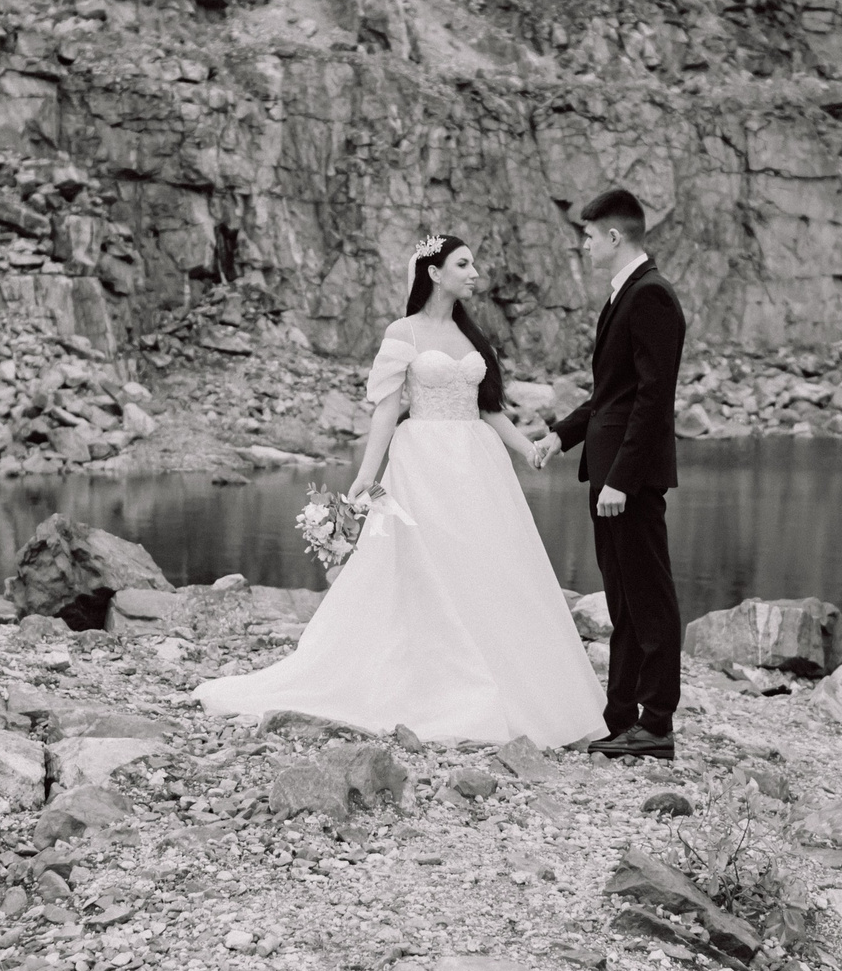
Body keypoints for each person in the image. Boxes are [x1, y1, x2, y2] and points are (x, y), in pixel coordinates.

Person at [193, 235, 608, 747]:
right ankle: (426, 681)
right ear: (434, 273)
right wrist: (366, 477)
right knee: (423, 566)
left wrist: (530, 450)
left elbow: (490, 409)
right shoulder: (403, 333)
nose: (475, 271)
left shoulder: (471, 334)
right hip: (423, 462)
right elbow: (387, 409)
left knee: (487, 565)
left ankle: (505, 679)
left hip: (478, 463)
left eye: (473, 262)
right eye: (464, 263)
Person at [532, 190, 686, 759]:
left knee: (650, 597)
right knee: (622, 598)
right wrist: (561, 435)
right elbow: (612, 396)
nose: (584, 244)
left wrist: (621, 478)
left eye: (590, 236)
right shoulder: (625, 296)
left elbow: (652, 400)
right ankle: (621, 717)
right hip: (610, 474)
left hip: (631, 480)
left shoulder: (651, 297)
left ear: (615, 237)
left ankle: (658, 723)